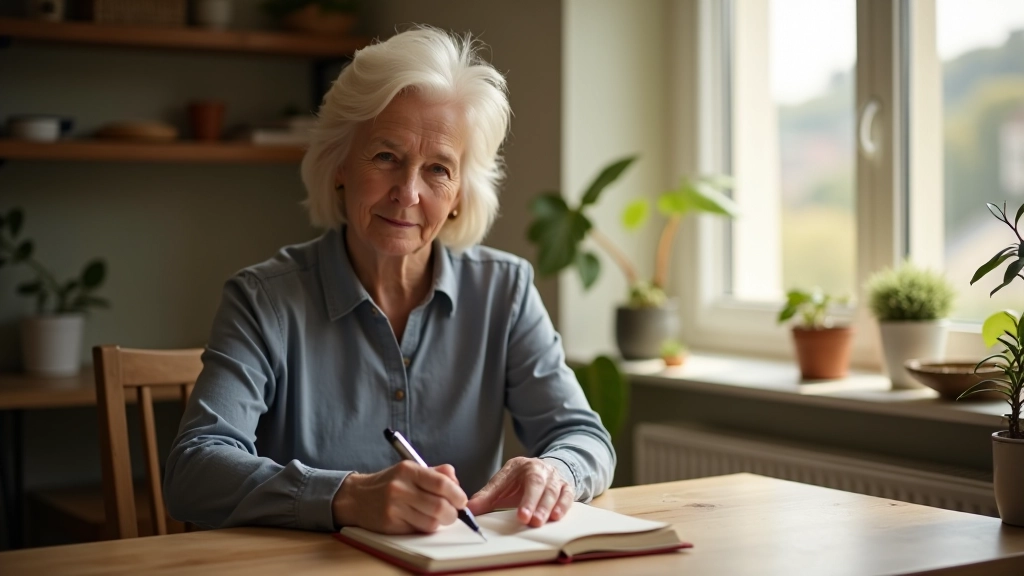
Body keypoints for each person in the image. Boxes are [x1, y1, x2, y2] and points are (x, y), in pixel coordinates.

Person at [163, 26, 615, 535]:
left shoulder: (504, 291)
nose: (408, 192)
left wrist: (555, 470)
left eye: (438, 169)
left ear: (461, 194)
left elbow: (583, 436)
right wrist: (345, 496)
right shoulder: (263, 299)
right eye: (385, 157)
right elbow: (194, 470)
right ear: (339, 165)